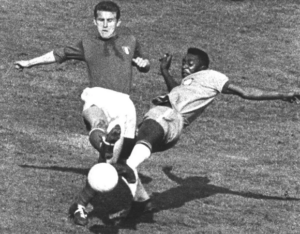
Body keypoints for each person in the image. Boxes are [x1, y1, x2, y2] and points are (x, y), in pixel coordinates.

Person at [115, 47, 300, 222]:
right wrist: (164, 71)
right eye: (183, 62)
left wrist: (282, 94)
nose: (184, 66)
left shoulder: (211, 77)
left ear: (203, 67)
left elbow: (245, 92)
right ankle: (140, 202)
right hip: (163, 123)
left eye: (190, 63)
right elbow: (177, 92)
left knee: (130, 159)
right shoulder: (189, 82)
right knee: (123, 156)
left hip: (167, 117)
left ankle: (126, 171)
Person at [14, 0, 150, 226]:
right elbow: (59, 54)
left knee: (106, 167)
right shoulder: (87, 43)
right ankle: (105, 141)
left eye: (110, 21)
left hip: (124, 106)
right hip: (97, 94)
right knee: (94, 116)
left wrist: (144, 64)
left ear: (118, 22)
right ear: (94, 21)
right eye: (101, 21)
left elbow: (143, 63)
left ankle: (79, 205)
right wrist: (29, 63)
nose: (105, 25)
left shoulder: (131, 41)